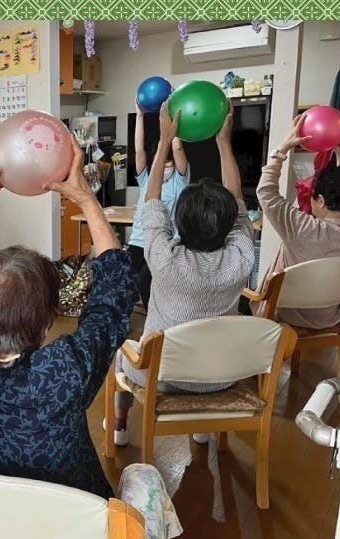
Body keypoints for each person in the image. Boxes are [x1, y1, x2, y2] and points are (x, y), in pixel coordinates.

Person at [0, 138, 137, 499]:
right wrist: (86, 200)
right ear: (48, 320)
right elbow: (115, 291)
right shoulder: (66, 370)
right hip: (69, 526)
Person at [111, 103, 255, 447]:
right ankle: (201, 428)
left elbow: (152, 200)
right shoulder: (242, 257)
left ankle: (118, 427)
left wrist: (164, 142)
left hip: (161, 376)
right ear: (229, 224)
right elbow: (237, 197)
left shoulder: (164, 259)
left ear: (178, 221)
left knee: (121, 353)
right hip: (219, 376)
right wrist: (224, 143)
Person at [250, 115, 340, 329]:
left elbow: (265, 192)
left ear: (321, 201)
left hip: (283, 319)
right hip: (329, 320)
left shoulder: (303, 229)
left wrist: (281, 149)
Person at [127, 100, 191, 308]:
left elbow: (177, 147)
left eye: (168, 162)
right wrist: (140, 116)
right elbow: (139, 151)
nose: (165, 166)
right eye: (161, 162)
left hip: (164, 244)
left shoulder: (179, 181)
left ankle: (154, 320)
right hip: (138, 241)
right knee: (124, 284)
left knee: (146, 284)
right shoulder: (146, 179)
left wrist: (173, 118)